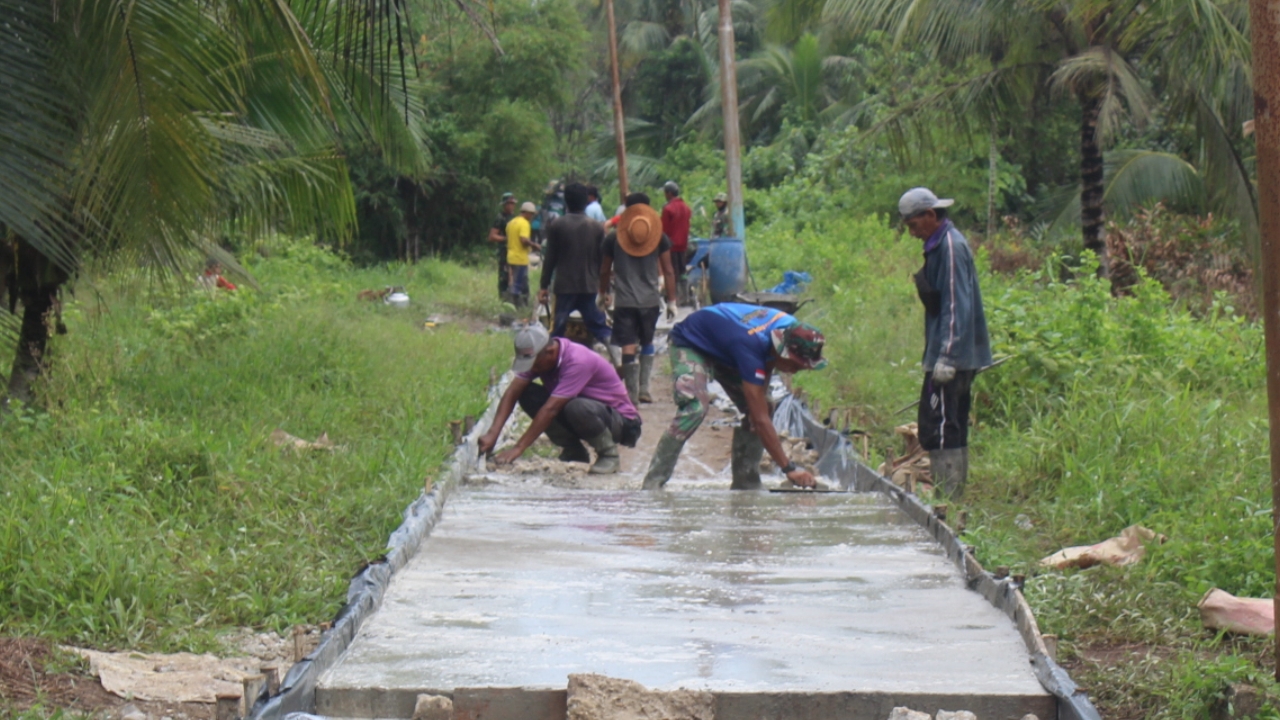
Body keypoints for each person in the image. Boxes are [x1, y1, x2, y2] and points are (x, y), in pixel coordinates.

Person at [642, 303, 826, 491]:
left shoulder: (791, 329)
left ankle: (746, 483)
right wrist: (789, 468)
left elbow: (768, 363)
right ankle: (653, 483)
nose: (794, 372)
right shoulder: (750, 346)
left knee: (765, 406)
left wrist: (758, 408)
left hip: (727, 349)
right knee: (695, 409)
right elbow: (761, 420)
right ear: (782, 351)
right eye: (794, 366)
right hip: (692, 343)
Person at [899, 187, 992, 499]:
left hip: (954, 357)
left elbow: (955, 304)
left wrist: (947, 357)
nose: (912, 233)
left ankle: (947, 502)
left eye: (914, 225)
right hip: (957, 354)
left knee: (937, 428)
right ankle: (952, 501)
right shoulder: (941, 245)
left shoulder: (950, 247)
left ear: (930, 215)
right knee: (950, 424)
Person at [478, 324, 642, 474]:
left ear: (550, 352)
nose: (533, 369)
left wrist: (518, 448)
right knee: (528, 393)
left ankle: (609, 455)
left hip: (622, 423)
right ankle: (574, 451)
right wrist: (493, 434)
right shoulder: (540, 358)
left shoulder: (577, 361)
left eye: (535, 364)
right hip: (584, 414)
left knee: (576, 406)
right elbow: (512, 392)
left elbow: (551, 409)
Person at [599, 193, 677, 404]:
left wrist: (602, 293)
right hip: (650, 300)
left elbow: (605, 270)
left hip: (624, 301)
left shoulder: (613, 238)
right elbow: (669, 270)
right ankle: (644, 388)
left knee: (628, 344)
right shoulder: (658, 235)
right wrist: (672, 300)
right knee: (648, 341)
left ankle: (631, 395)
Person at [539, 183, 611, 346]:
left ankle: (556, 362)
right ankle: (616, 353)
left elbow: (550, 259)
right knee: (599, 326)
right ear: (586, 201)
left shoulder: (558, 225)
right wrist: (606, 289)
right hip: (590, 287)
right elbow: (603, 263)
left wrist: (544, 286)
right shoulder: (596, 227)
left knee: (557, 327)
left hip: (565, 287)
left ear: (566, 201)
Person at [660, 181, 692, 300]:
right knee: (682, 270)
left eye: (665, 193)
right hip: (683, 244)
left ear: (669, 193)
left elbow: (664, 229)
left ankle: (675, 296)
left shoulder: (668, 209)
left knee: (671, 271)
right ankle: (685, 295)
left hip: (671, 245)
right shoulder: (686, 208)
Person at [506, 201, 540, 307]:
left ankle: (523, 305)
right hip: (520, 258)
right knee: (517, 284)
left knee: (522, 283)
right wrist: (534, 245)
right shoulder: (524, 223)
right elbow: (523, 240)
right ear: (527, 213)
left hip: (511, 257)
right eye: (532, 214)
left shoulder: (511, 222)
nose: (532, 216)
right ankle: (514, 305)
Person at [488, 192, 516, 299]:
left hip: (514, 251)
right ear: (504, 205)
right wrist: (505, 239)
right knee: (504, 276)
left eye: (512, 203)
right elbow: (492, 236)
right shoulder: (500, 218)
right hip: (504, 251)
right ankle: (503, 297)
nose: (511, 206)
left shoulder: (514, 217)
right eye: (508, 203)